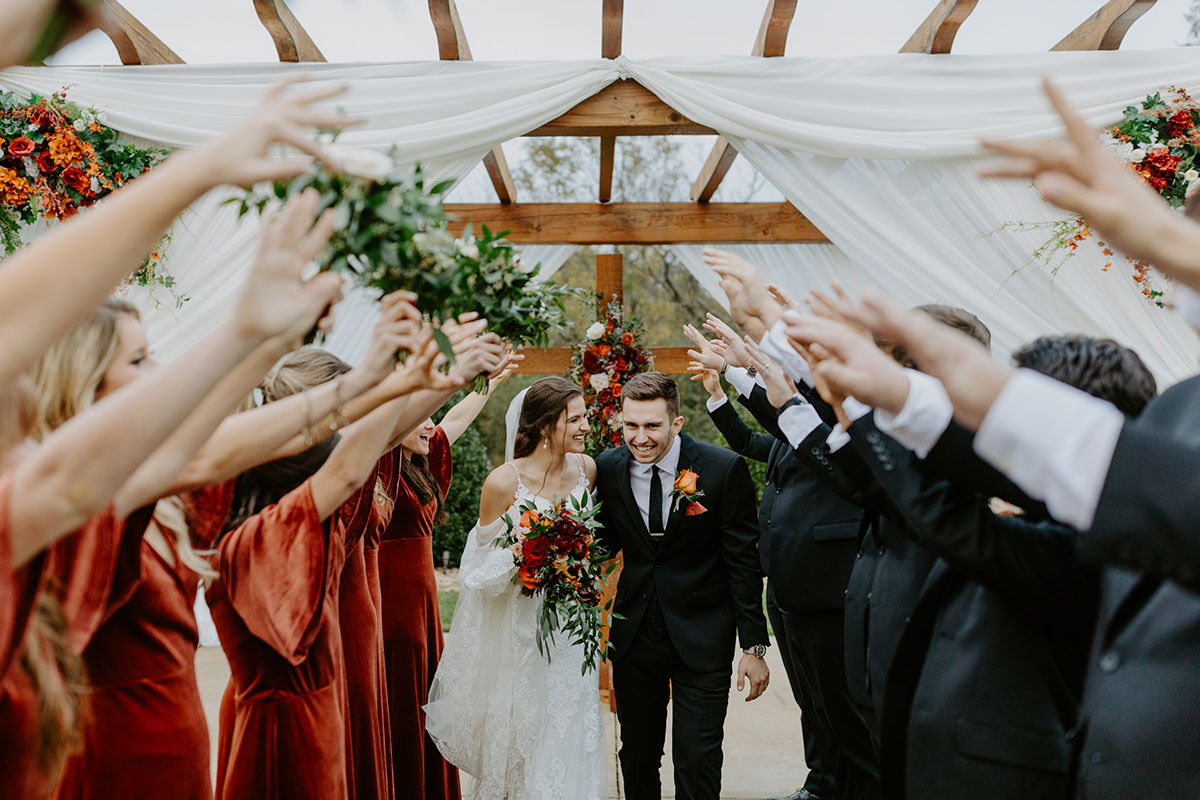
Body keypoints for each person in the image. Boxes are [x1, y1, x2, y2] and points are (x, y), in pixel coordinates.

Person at [0, 188, 343, 796]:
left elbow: (213, 443)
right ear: (83, 383)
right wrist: (257, 335)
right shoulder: (75, 500)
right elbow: (210, 449)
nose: (157, 372)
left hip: (176, 741)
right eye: (139, 361)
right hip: (115, 752)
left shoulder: (148, 499)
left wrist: (292, 352)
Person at [688, 326, 877, 800]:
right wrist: (718, 395)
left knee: (838, 701)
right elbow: (752, 444)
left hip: (828, 580)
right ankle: (822, 784)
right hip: (789, 581)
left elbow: (781, 419)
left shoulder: (834, 422)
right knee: (812, 700)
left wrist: (737, 370)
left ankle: (854, 787)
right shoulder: (790, 434)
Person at [425, 376, 607, 800]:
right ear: (545, 426)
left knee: (570, 719)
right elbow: (477, 572)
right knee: (525, 724)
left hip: (571, 628)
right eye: (575, 419)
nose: (585, 427)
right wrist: (527, 551)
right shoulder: (503, 483)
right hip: (521, 630)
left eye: (585, 417)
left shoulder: (588, 470)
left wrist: (573, 561)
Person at [593, 371, 769, 800]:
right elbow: (601, 543)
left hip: (703, 634)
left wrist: (754, 647)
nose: (640, 437)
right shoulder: (609, 468)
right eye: (631, 425)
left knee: (697, 757)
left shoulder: (723, 469)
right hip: (636, 637)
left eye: (652, 426)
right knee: (636, 754)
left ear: (677, 422)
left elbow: (742, 562)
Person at [380, 356, 519, 800]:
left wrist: (486, 385)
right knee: (399, 696)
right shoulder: (375, 466)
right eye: (420, 417)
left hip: (421, 603)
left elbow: (453, 419)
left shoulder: (419, 463)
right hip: (389, 599)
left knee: (426, 694)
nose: (430, 425)